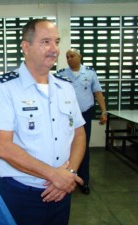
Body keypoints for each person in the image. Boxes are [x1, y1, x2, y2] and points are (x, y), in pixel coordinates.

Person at [0, 19, 86, 225]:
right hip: (21, 193)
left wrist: (69, 174)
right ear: (26, 46)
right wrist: (55, 176)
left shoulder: (65, 87)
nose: (54, 49)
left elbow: (79, 134)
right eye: (45, 42)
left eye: (56, 42)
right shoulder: (5, 88)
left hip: (62, 192)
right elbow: (4, 148)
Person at [56, 48, 107, 195]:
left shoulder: (90, 73)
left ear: (80, 56)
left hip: (85, 115)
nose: (70, 58)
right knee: (66, 147)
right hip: (66, 116)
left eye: (72, 56)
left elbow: (97, 92)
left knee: (82, 147)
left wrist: (104, 111)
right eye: (67, 57)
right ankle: (67, 179)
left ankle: (83, 180)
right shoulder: (61, 74)